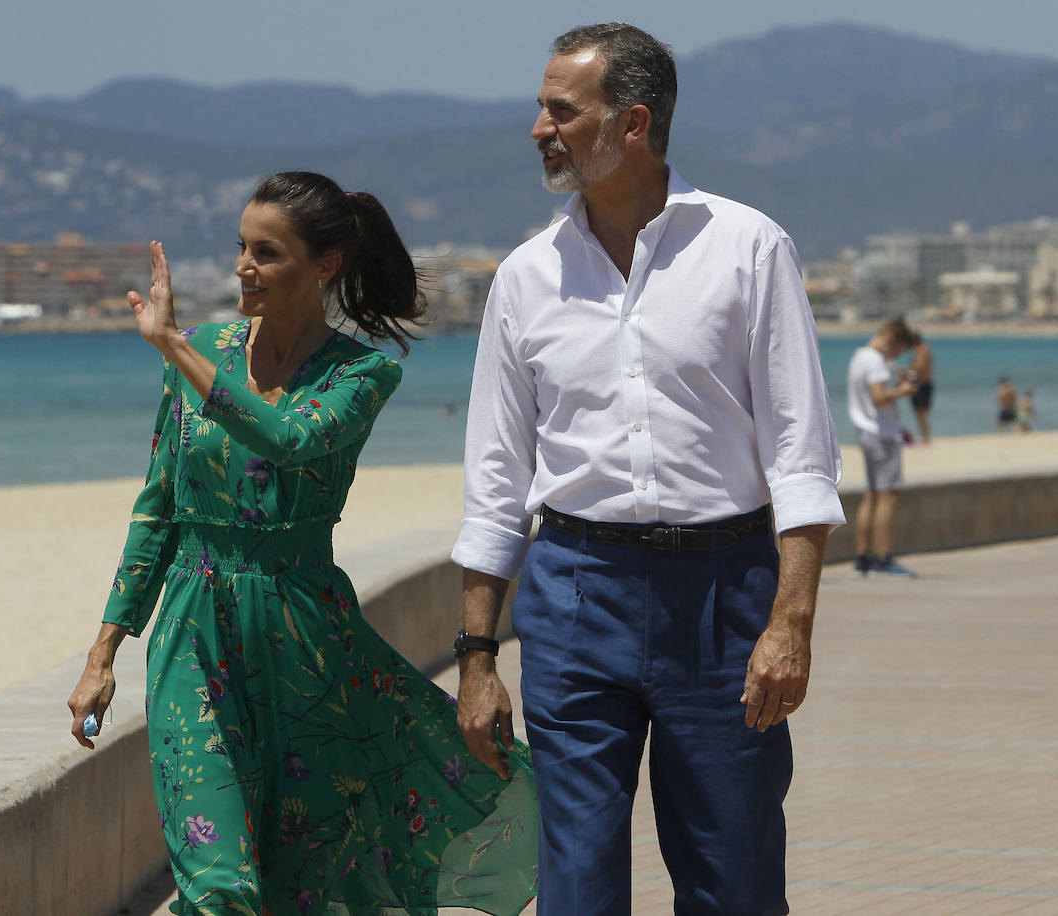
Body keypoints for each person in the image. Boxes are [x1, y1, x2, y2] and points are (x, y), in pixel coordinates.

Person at [66, 171, 538, 916]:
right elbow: (157, 510)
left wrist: (170, 351)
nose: (241, 268)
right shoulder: (201, 347)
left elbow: (290, 440)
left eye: (267, 253)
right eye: (241, 248)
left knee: (308, 884)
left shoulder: (363, 372)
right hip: (193, 631)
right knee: (218, 884)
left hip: (306, 645)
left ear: (325, 266)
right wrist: (103, 654)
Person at [451, 23, 844, 915]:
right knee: (575, 883)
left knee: (731, 874)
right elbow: (497, 482)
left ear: (632, 123)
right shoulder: (523, 277)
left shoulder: (748, 248)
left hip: (725, 595)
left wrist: (792, 620)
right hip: (575, 591)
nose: (539, 128)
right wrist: (476, 658)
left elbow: (801, 453)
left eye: (560, 110)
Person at [848, 319, 919, 577]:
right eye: (899, 350)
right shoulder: (875, 361)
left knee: (872, 495)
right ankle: (882, 556)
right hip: (881, 436)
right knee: (888, 496)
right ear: (892, 341)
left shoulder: (859, 357)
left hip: (867, 432)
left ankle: (862, 557)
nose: (897, 356)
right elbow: (878, 398)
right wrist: (903, 390)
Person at [908, 332, 935, 443]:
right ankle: (925, 436)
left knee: (921, 411)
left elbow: (918, 368)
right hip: (923, 383)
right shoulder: (922, 350)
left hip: (921, 384)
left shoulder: (921, 350)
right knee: (921, 412)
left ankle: (925, 437)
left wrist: (907, 375)